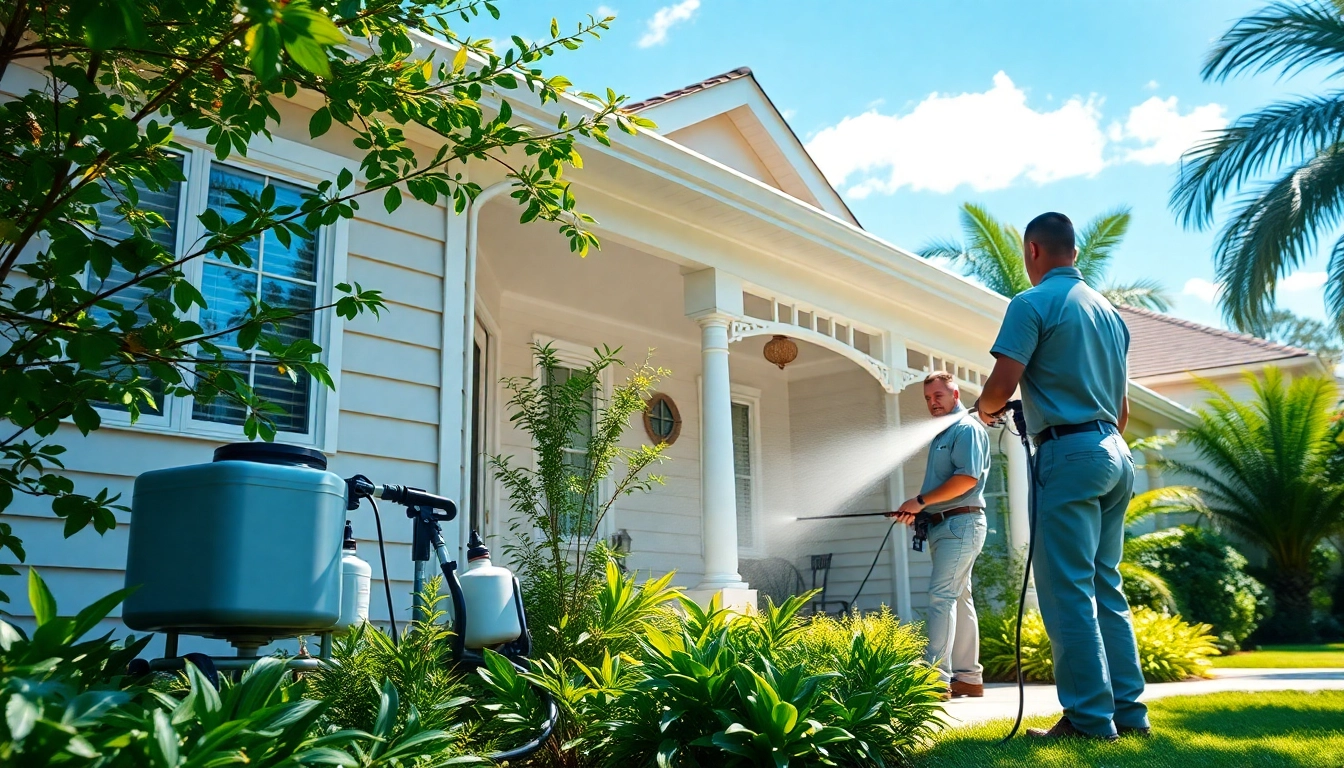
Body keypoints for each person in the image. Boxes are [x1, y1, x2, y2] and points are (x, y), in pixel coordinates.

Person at [974, 212, 1147, 742]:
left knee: (1068, 591)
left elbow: (1003, 383)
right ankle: (1129, 715)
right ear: (1073, 250)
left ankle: (1090, 723)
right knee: (1105, 587)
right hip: (1114, 452)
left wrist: (983, 412)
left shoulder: (1031, 303)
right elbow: (1120, 409)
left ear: (1033, 252)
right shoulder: (1110, 315)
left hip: (1069, 458)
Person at [887, 371, 990, 700]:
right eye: (928, 398)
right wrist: (919, 510)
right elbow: (943, 488)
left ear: (955, 395)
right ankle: (968, 678)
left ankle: (936, 679)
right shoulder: (943, 432)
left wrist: (918, 501)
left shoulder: (965, 428)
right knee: (959, 597)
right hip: (946, 524)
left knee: (940, 596)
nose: (933, 402)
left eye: (939, 396)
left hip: (961, 524)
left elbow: (966, 480)